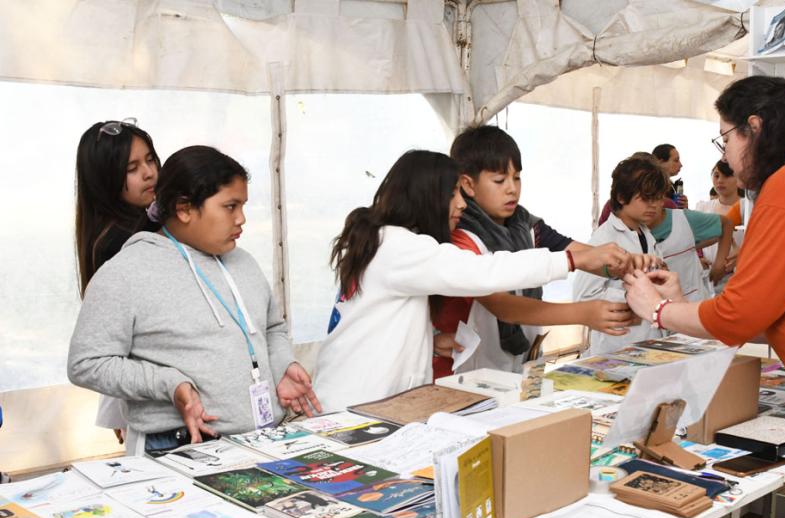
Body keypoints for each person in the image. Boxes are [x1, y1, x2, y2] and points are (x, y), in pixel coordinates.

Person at [622, 76, 785, 490]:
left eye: (725, 139)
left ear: (755, 127)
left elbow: (737, 318)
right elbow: (779, 311)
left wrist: (658, 309)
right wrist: (686, 304)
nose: (727, 157)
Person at [68, 146, 319, 455]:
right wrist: (168, 384)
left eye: (243, 206)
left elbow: (272, 328)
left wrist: (283, 365)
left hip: (260, 442)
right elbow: (86, 363)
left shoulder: (244, 263)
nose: (241, 219)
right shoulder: (125, 272)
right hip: (176, 449)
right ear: (184, 209)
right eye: (230, 206)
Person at [313, 150, 584, 411]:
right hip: (355, 404)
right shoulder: (400, 247)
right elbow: (482, 272)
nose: (462, 204)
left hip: (349, 396)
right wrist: (570, 260)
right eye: (452, 193)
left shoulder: (382, 241)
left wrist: (429, 342)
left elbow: (373, 325)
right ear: (426, 197)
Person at [433, 125, 645, 377]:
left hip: (521, 363)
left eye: (517, 177)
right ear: (468, 184)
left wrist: (630, 265)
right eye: (500, 180)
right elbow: (503, 306)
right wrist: (584, 312)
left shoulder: (526, 225)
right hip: (468, 372)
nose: (512, 188)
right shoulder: (461, 237)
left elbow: (586, 255)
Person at [74, 118, 161, 445]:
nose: (149, 172)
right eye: (132, 168)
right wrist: (118, 405)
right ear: (104, 179)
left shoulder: (141, 223)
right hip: (150, 390)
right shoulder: (121, 242)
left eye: (150, 159)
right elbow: (120, 335)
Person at [572, 155, 667, 356]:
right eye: (646, 198)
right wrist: (632, 296)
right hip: (616, 346)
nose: (654, 205)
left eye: (657, 198)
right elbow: (582, 298)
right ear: (622, 197)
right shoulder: (604, 240)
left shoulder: (645, 234)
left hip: (648, 340)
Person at [648, 169, 733, 301]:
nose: (649, 205)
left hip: (692, 303)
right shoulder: (624, 229)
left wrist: (719, 262)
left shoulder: (682, 218)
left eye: (654, 197)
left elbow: (726, 224)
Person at [696, 161, 748, 292]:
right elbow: (692, 241)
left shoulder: (748, 208)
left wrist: (743, 256)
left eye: (727, 176)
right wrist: (698, 258)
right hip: (708, 279)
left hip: (740, 277)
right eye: (716, 176)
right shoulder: (703, 207)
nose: (720, 181)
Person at [651, 143, 687, 208]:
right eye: (676, 160)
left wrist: (684, 208)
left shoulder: (672, 187)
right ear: (660, 162)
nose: (681, 165)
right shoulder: (649, 186)